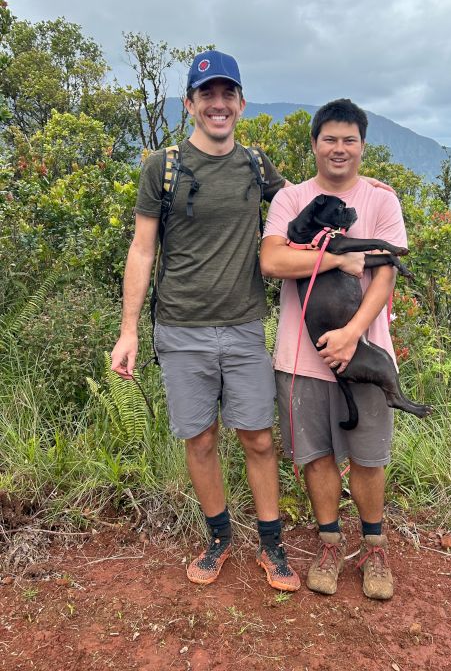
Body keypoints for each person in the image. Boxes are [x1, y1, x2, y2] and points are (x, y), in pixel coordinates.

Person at [110, 50, 301, 592]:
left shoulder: (256, 166)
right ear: (191, 103)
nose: (218, 104)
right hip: (180, 328)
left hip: (243, 326)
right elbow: (142, 250)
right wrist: (129, 331)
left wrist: (363, 192)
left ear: (240, 103)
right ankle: (219, 538)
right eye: (207, 95)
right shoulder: (163, 168)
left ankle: (271, 544)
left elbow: (301, 211)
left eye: (227, 94)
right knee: (200, 440)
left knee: (259, 439)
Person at [260, 98, 407, 600]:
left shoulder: (381, 200)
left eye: (349, 140)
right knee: (315, 456)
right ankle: (328, 543)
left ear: (362, 146)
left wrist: (352, 334)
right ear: (315, 144)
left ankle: (373, 547)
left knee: (368, 457)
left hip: (362, 352)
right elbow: (273, 261)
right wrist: (337, 262)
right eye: (330, 139)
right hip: (299, 358)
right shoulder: (291, 199)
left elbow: (385, 271)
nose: (339, 148)